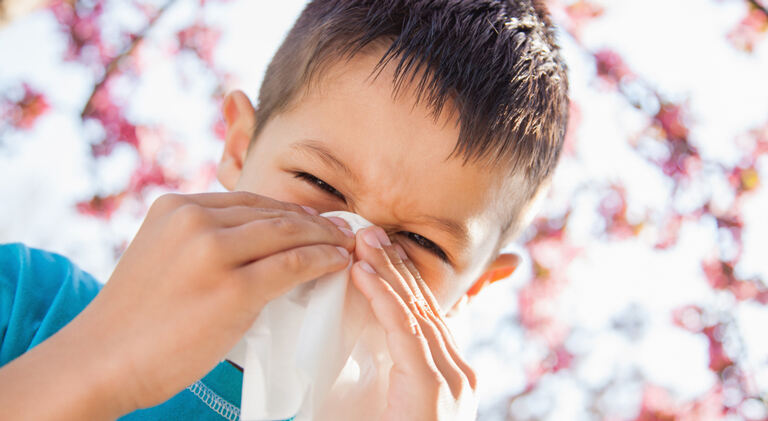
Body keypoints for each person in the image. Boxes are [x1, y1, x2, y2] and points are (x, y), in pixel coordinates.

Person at [0, 0, 569, 419]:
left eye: (421, 245)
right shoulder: (27, 301)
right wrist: (99, 364)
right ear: (240, 146)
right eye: (318, 182)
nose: (353, 246)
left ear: (472, 287)